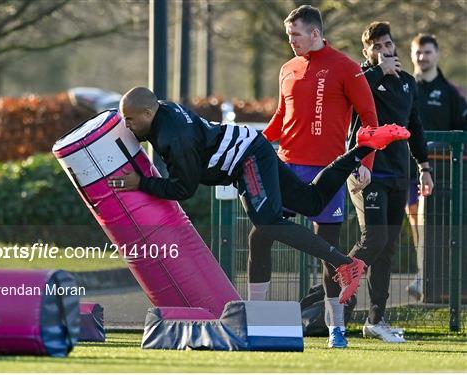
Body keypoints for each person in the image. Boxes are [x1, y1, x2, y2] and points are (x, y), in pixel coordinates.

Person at [109, 86, 409, 318]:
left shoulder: (174, 137)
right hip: (251, 146)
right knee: (312, 201)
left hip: (246, 159)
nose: (128, 125)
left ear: (148, 113)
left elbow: (183, 188)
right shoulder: (163, 112)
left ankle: (345, 264)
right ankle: (363, 146)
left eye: (130, 120)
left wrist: (142, 183)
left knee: (268, 224)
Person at [259, 4, 379, 349]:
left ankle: (336, 330)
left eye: (296, 34)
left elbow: (369, 118)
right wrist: (252, 146)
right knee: (260, 236)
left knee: (329, 255)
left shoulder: (347, 68)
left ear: (315, 33)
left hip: (327, 174)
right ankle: (257, 318)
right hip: (285, 169)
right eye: (288, 35)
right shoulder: (287, 68)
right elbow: (280, 118)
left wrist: (365, 162)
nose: (291, 41)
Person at [346, 22, 434, 343]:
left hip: (399, 176)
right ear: (367, 51)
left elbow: (416, 128)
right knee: (374, 240)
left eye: (388, 44)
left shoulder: (408, 83)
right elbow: (350, 98)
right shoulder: (362, 79)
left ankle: (376, 319)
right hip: (368, 173)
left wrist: (423, 166)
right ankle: (335, 293)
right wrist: (378, 71)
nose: (385, 50)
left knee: (387, 248)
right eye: (377, 46)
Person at [405, 34, 467, 300]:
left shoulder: (451, 93)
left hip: (440, 174)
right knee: (415, 221)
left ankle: (432, 281)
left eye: (428, 52)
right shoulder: (405, 88)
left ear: (437, 54)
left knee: (433, 224)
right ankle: (422, 275)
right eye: (418, 52)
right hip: (407, 170)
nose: (423, 57)